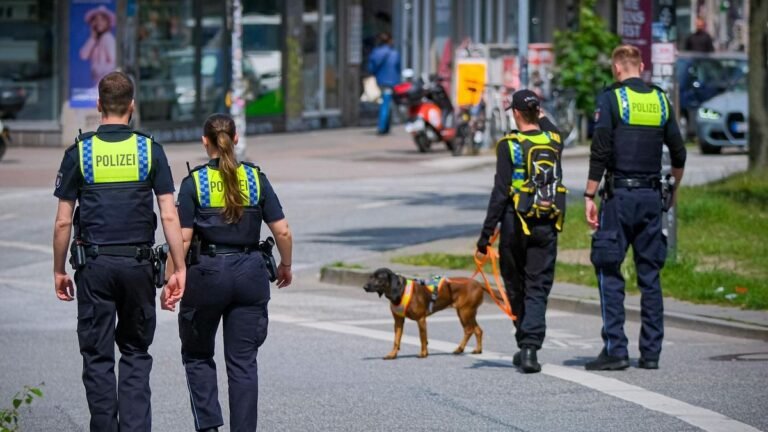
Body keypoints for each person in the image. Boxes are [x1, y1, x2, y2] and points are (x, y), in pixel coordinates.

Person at [52, 71, 186, 431]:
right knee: (136, 352)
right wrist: (179, 268)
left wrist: (59, 270)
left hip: (94, 267)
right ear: (132, 107)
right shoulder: (149, 150)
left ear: (99, 105)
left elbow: (63, 222)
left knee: (97, 356)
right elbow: (169, 214)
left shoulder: (80, 152)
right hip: (138, 266)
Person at [167, 113, 293, 432]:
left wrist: (173, 276)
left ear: (204, 141)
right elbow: (282, 231)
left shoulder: (194, 183)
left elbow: (183, 239)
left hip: (206, 275)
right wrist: (286, 265)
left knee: (197, 355)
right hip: (250, 274)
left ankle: (209, 426)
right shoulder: (255, 178)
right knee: (243, 363)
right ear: (235, 139)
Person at [583, 44, 686, 371]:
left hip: (619, 199)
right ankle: (651, 353)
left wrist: (589, 195)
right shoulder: (660, 100)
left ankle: (616, 350)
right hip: (652, 198)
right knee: (650, 275)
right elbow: (679, 153)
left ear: (616, 68)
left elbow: (600, 150)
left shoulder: (611, 99)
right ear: (641, 66)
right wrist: (673, 190)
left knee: (609, 271)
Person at [477, 90, 567, 374]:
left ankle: (525, 342)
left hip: (515, 223)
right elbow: (551, 127)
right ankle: (530, 348)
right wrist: (540, 115)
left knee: (515, 284)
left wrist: (485, 236)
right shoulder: (554, 141)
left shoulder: (509, 145)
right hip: (546, 222)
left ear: (515, 113)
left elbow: (500, 192)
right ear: (537, 111)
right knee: (538, 286)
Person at [367, 32, 401, 135]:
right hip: (392, 81)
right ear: (390, 41)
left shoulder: (376, 52)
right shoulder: (394, 54)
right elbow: (398, 68)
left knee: (386, 102)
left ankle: (385, 126)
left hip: (381, 81)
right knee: (386, 103)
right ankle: (382, 127)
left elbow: (371, 68)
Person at [80, 5, 117, 85]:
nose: (99, 22)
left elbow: (114, 63)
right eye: (96, 20)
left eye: (102, 20)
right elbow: (83, 55)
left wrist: (97, 69)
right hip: (99, 83)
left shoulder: (107, 38)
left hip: (106, 83)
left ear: (108, 23)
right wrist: (93, 37)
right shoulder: (96, 40)